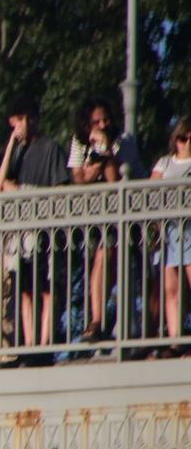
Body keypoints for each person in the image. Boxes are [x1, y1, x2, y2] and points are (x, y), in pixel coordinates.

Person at [0, 96, 69, 361]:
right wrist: (11, 144)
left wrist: (22, 191)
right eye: (19, 119)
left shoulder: (50, 148)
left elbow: (60, 190)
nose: (24, 124)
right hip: (19, 232)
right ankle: (30, 345)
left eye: (28, 119)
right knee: (24, 289)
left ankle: (44, 344)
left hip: (42, 229)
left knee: (45, 288)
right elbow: (0, 184)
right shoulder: (17, 152)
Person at [66, 96, 145, 343]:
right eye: (96, 122)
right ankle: (98, 320)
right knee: (100, 258)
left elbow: (113, 180)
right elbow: (78, 177)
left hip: (123, 214)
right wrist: (92, 167)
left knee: (107, 256)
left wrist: (105, 152)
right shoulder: (79, 142)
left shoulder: (123, 142)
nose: (102, 125)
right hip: (92, 216)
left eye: (105, 120)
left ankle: (101, 321)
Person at [151, 115, 191, 355]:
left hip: (190, 229)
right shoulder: (164, 163)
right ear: (175, 139)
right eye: (183, 138)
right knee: (171, 287)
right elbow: (150, 191)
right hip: (169, 230)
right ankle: (175, 339)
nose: (187, 143)